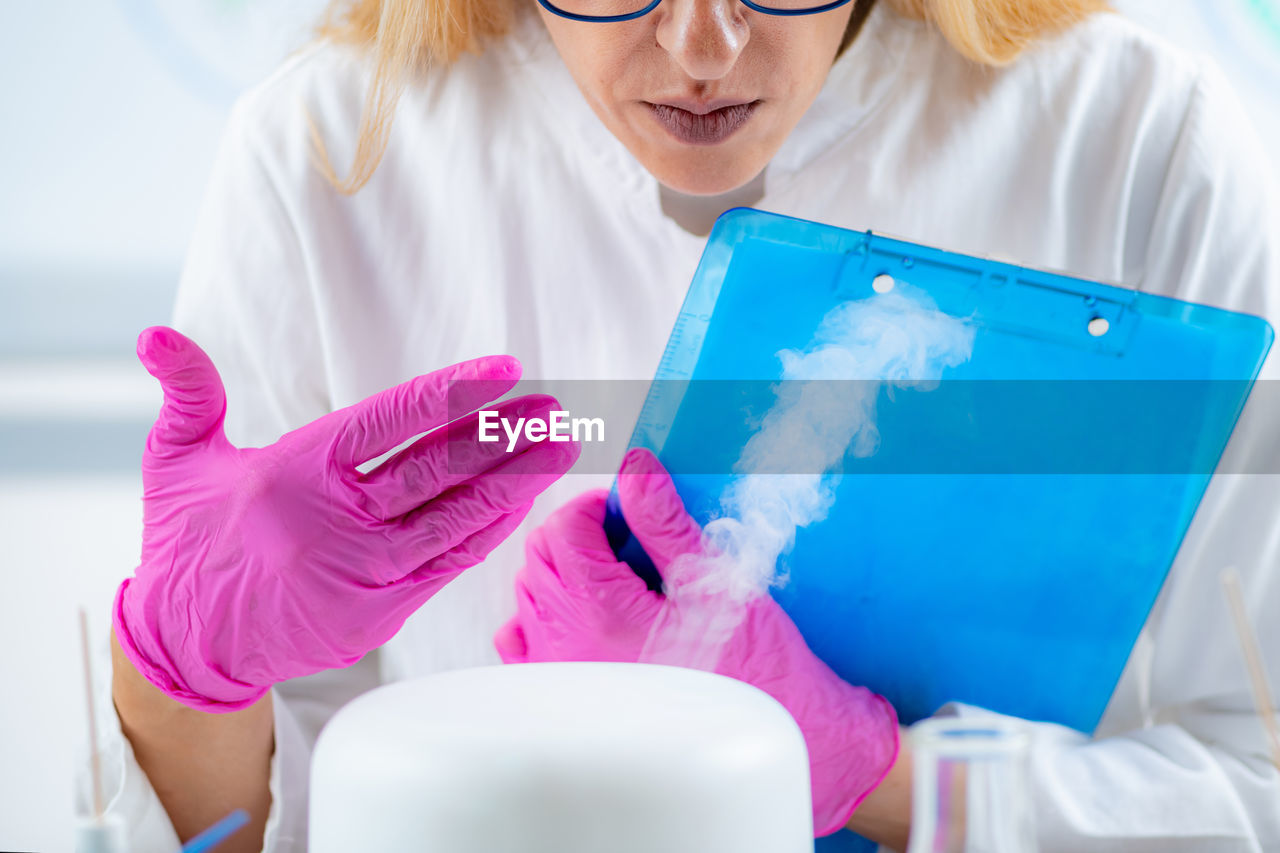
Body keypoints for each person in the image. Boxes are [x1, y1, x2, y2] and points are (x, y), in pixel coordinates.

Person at [96, 0, 1280, 849]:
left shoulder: (1134, 144)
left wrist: (882, 778)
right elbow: (260, 832)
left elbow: (1257, 786)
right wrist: (178, 680)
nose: (701, 45)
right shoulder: (328, 158)